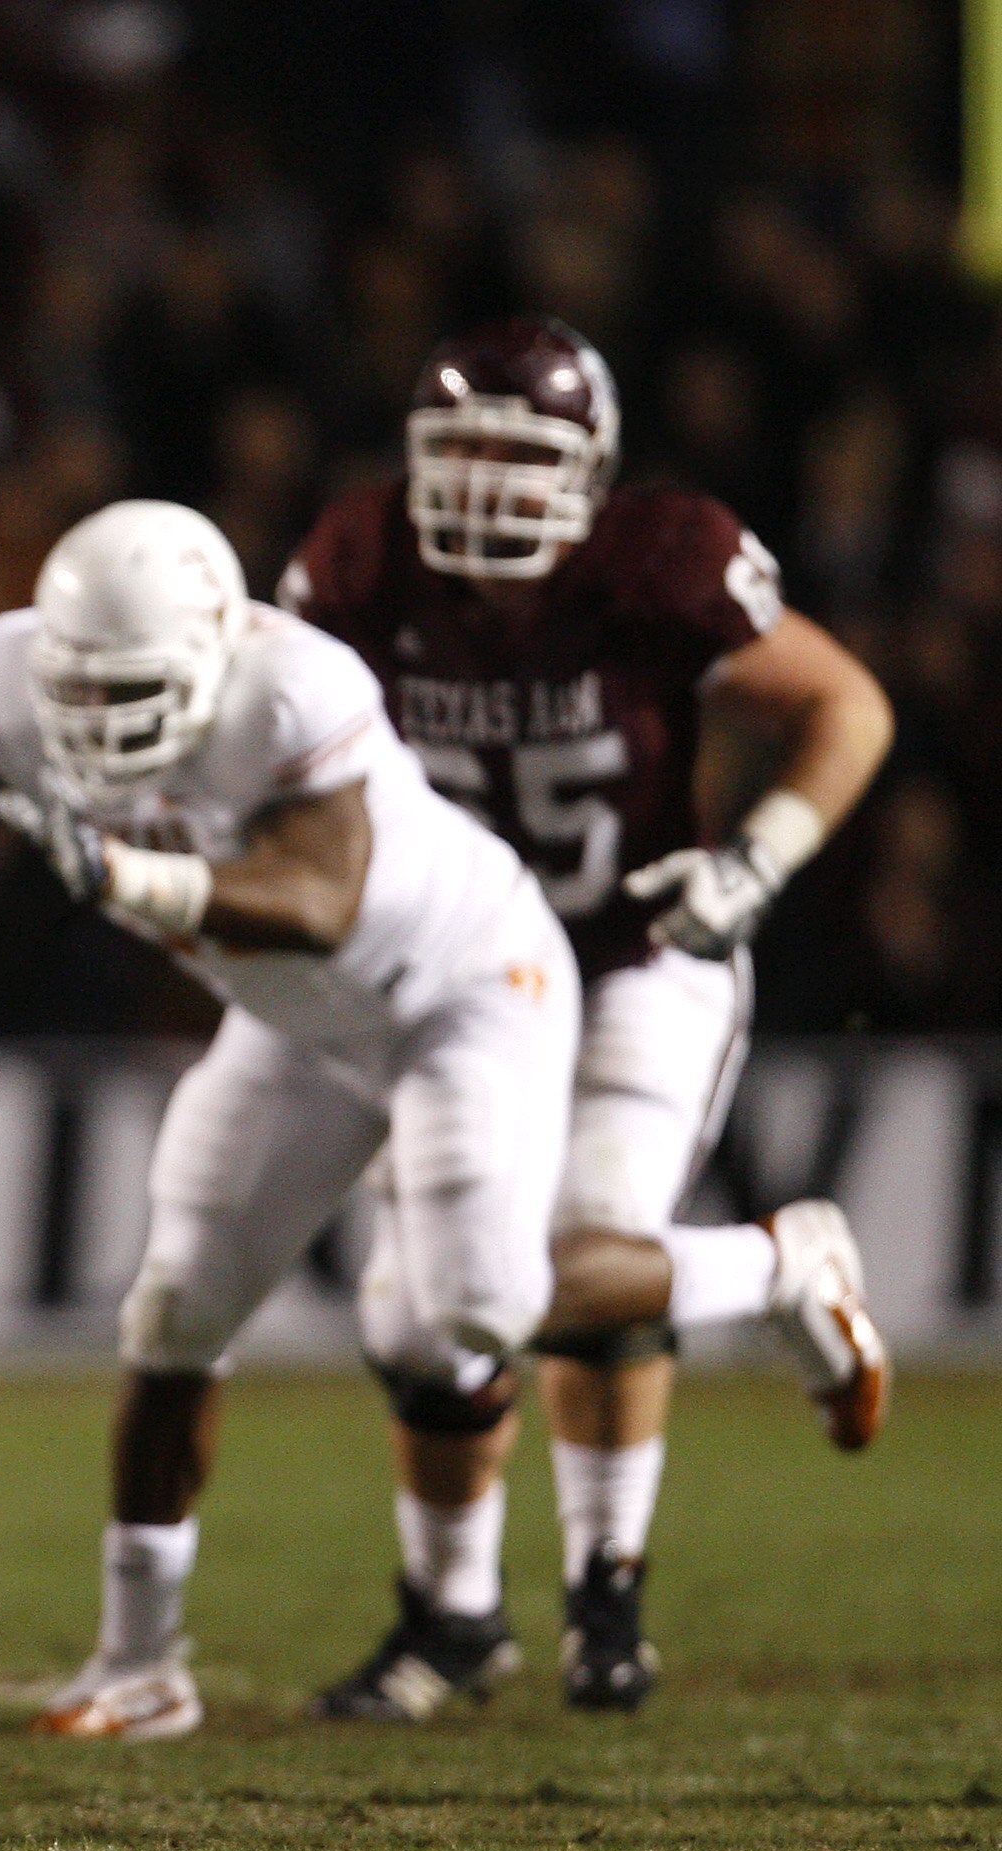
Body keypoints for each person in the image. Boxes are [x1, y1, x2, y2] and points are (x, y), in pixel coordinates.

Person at [0, 498, 580, 1742]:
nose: (98, 723)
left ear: (218, 649)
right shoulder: (10, 678)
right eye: (78, 690)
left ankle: (772, 1269)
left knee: (474, 1305)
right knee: (175, 1305)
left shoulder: (291, 691)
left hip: (459, 988)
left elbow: (319, 897)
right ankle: (141, 1661)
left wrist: (128, 875)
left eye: (133, 690)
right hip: (297, 1024)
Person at [278, 316, 895, 1716]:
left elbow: (846, 705)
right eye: (464, 448)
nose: (489, 480)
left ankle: (604, 1594)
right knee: (418, 1313)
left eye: (522, 450)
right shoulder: (362, 563)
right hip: (456, 984)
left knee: (577, 1252)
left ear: (595, 469)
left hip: (632, 952)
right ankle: (454, 1616)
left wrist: (760, 855)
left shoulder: (656, 563)